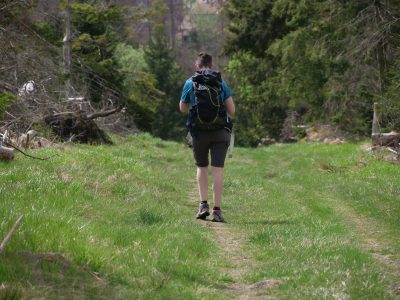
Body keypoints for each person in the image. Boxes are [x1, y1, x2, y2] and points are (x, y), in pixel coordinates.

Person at [179, 53, 235, 222]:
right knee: (218, 170)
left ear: (197, 66)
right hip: (220, 132)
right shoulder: (220, 82)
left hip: (199, 133)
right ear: (211, 65)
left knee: (202, 167)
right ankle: (217, 210)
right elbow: (232, 110)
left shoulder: (190, 82)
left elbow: (182, 108)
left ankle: (203, 205)